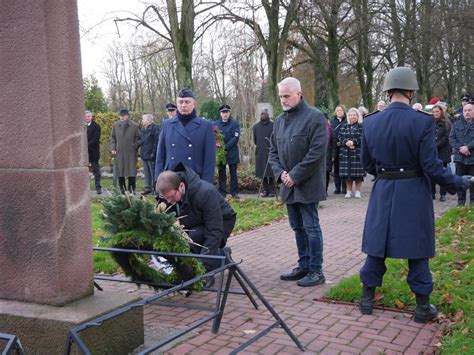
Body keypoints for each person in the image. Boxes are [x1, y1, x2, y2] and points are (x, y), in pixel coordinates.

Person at [359, 66, 471, 323]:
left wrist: (385, 173)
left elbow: (367, 165)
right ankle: (422, 308)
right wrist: (457, 182)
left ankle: (366, 300)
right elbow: (431, 167)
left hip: (383, 189)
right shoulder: (422, 121)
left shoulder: (371, 122)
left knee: (377, 247)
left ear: (388, 92)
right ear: (411, 92)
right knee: (417, 248)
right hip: (413, 191)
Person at [269, 77, 327, 287]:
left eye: (287, 95)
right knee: (297, 227)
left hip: (307, 184)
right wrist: (281, 174)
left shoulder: (315, 117)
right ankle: (303, 265)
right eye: (281, 96)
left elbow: (317, 152)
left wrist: (295, 175)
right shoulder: (279, 121)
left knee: (311, 227)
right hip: (288, 184)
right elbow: (273, 152)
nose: (283, 100)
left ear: (298, 94)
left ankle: (315, 270)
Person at [156, 164, 236, 271]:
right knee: (186, 240)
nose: (169, 201)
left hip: (222, 221)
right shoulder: (167, 196)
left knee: (195, 236)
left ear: (181, 186)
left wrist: (203, 269)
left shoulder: (205, 192)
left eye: (172, 197)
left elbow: (214, 231)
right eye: (165, 198)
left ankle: (220, 258)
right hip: (194, 220)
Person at [155, 88, 216, 184]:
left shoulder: (205, 125)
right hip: (171, 178)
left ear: (194, 104)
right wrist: (157, 181)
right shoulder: (167, 124)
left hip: (195, 178)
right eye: (180, 102)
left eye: (187, 102)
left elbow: (209, 159)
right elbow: (160, 155)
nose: (183, 105)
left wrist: (207, 184)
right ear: (177, 103)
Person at [214, 104, 241, 199]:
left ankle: (234, 192)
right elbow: (214, 137)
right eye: (223, 112)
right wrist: (219, 147)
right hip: (221, 154)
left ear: (229, 113)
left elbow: (236, 137)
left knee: (233, 174)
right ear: (220, 114)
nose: (225, 114)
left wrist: (225, 147)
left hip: (232, 152)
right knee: (222, 174)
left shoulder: (235, 123)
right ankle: (222, 192)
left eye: (226, 112)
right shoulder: (215, 124)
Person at [449, 102, 474, 205]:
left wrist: (468, 147)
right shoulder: (456, 124)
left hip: (473, 159)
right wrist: (461, 148)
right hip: (460, 158)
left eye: (469, 110)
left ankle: (473, 204)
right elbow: (451, 138)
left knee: (473, 183)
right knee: (460, 182)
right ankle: (460, 204)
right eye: (465, 110)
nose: (467, 112)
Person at [338, 108, 365, 198]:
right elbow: (340, 136)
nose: (352, 116)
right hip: (346, 153)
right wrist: (346, 142)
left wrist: (354, 142)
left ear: (358, 116)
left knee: (358, 175)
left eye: (354, 115)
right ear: (348, 116)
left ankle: (358, 191)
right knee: (347, 174)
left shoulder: (361, 126)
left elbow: (363, 137)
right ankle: (348, 191)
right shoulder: (344, 126)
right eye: (350, 115)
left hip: (357, 153)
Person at [111, 109, 140, 194]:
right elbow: (113, 138)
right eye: (120, 116)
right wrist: (113, 148)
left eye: (123, 116)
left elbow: (139, 138)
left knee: (131, 171)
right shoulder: (115, 125)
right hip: (119, 152)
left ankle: (131, 190)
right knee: (120, 171)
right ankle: (122, 190)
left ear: (127, 116)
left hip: (131, 153)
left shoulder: (134, 126)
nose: (122, 117)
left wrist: (134, 146)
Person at [431, 104, 452, 202]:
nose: (435, 114)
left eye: (437, 112)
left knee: (442, 174)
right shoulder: (430, 123)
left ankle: (443, 194)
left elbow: (445, 137)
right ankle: (432, 193)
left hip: (442, 151)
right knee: (431, 174)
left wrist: (435, 145)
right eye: (434, 112)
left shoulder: (446, 123)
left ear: (441, 112)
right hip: (432, 152)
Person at [253, 108, 275, 197]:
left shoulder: (274, 126)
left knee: (272, 172)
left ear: (268, 114)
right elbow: (255, 140)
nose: (263, 115)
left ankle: (272, 190)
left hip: (271, 151)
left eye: (265, 113)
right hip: (260, 151)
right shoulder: (256, 127)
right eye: (262, 113)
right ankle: (265, 190)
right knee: (263, 172)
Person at [138, 114, 159, 195]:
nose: (142, 121)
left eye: (143, 119)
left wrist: (153, 153)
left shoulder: (155, 128)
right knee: (146, 172)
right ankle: (148, 188)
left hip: (151, 154)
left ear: (148, 120)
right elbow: (141, 140)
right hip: (144, 153)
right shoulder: (143, 129)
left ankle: (155, 188)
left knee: (153, 172)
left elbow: (156, 142)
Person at [331, 105, 347, 194]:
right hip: (335, 147)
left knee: (344, 167)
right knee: (336, 168)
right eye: (337, 110)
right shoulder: (332, 122)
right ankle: (337, 188)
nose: (339, 112)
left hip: (344, 147)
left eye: (341, 110)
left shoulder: (346, 121)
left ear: (344, 111)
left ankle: (344, 187)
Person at [85, 110, 102, 194]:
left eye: (88, 116)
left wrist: (86, 145)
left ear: (91, 117)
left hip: (93, 151)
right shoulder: (80, 126)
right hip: (83, 153)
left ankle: (98, 188)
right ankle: (83, 188)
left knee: (96, 170)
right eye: (86, 116)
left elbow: (96, 138)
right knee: (82, 170)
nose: (87, 118)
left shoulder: (96, 126)